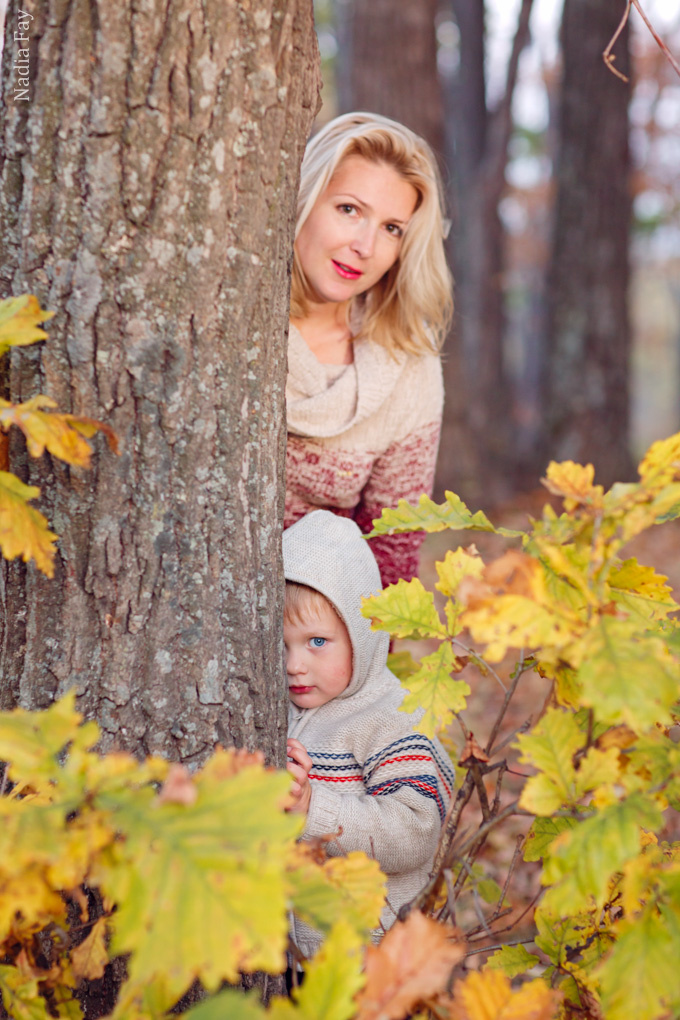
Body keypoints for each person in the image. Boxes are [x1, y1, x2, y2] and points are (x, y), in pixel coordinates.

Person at [286, 112, 453, 589]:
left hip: (319, 625)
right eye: (349, 209)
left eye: (392, 228)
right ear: (304, 197)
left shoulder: (406, 361)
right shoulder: (230, 322)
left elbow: (391, 555)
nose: (365, 246)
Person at [283, 510, 455, 958]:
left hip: (371, 955)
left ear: (361, 636)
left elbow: (416, 829)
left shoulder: (393, 718)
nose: (294, 664)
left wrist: (312, 807)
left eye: (317, 642)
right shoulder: (278, 708)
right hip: (289, 959)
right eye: (281, 644)